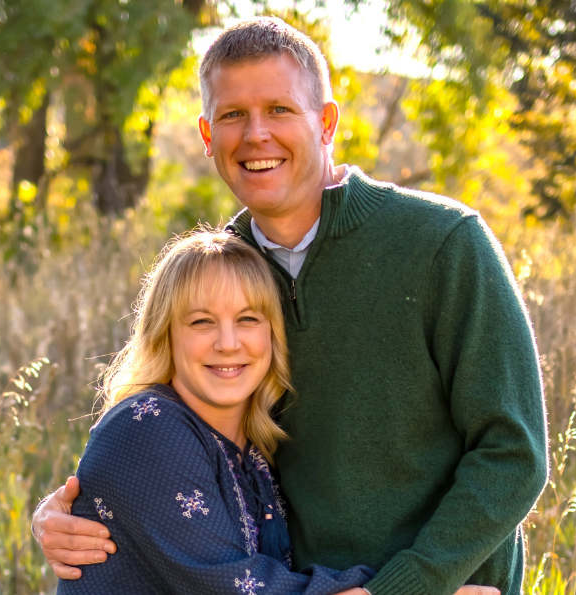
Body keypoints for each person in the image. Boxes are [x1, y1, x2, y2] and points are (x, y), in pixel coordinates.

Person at [34, 17, 549, 595]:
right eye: (233, 115)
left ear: (326, 122)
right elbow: (167, 432)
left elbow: (514, 452)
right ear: (207, 135)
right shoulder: (220, 277)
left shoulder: (443, 243)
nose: (257, 135)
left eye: (280, 109)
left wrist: (408, 587)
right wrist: (77, 512)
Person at [57, 230, 378, 594]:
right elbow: (235, 587)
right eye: (201, 322)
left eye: (247, 319)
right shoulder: (146, 426)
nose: (228, 343)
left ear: (272, 334)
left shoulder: (255, 450)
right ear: (165, 333)